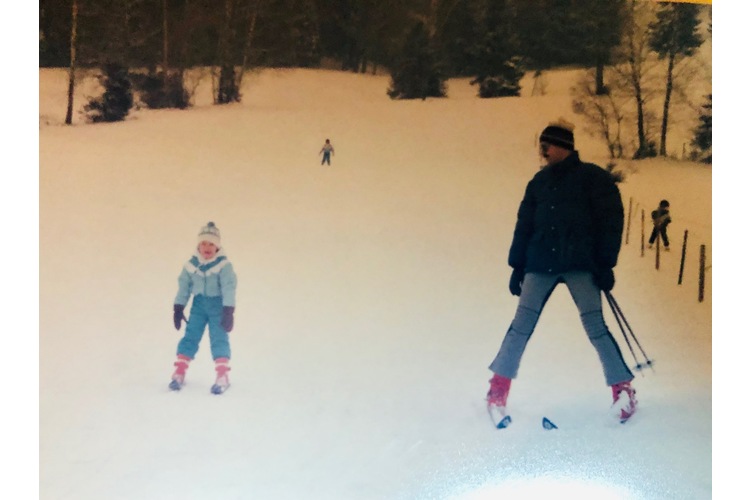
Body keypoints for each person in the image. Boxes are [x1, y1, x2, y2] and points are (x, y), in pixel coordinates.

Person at [486, 119, 637, 424]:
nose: (542, 152)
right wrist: (517, 265)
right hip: (540, 263)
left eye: (547, 145)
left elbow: (611, 221)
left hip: (580, 264)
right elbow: (524, 225)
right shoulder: (538, 183)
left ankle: (623, 391)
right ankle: (497, 390)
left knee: (596, 328)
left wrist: (606, 262)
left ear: (563, 146)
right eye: (541, 146)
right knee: (520, 326)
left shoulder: (593, 179)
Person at [169, 222, 238, 394]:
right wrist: (178, 307)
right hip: (198, 306)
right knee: (190, 336)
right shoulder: (191, 266)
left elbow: (229, 287)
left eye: (211, 244)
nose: (207, 247)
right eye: (203, 243)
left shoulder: (224, 266)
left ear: (217, 247)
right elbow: (184, 287)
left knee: (219, 338)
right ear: (198, 246)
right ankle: (180, 371)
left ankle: (222, 375)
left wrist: (228, 310)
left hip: (218, 307)